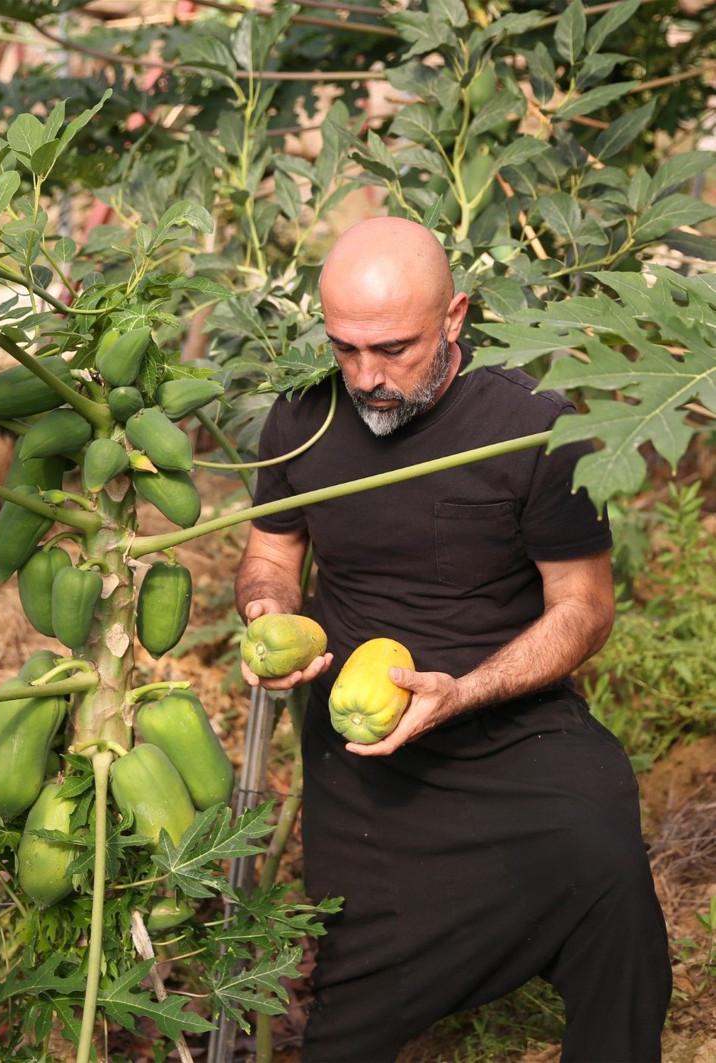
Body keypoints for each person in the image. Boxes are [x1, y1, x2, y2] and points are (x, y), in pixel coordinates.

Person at [234, 217, 671, 1062]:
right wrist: (268, 611)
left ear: (456, 316)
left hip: (510, 721)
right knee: (358, 995)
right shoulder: (302, 422)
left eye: (393, 349)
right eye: (344, 348)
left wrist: (464, 690)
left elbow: (584, 606)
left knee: (604, 863)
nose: (366, 376)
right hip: (365, 745)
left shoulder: (534, 426)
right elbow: (269, 552)